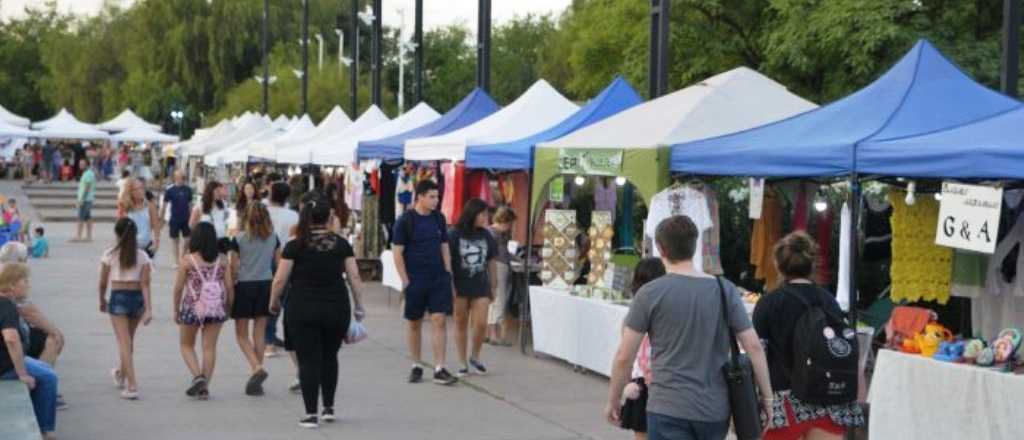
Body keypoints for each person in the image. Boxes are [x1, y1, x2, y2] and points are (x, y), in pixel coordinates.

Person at [606, 215, 774, 440]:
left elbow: (624, 357)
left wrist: (614, 400)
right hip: (713, 410)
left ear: (660, 248)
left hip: (666, 407)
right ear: (695, 246)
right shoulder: (725, 290)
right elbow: (753, 346)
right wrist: (767, 399)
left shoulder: (649, 294)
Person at [753, 232, 865, 440]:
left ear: (778, 265)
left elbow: (757, 353)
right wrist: (858, 398)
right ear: (812, 264)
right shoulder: (829, 301)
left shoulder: (768, 303)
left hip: (782, 405)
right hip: (829, 398)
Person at [270, 191, 366, 428]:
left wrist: (273, 301)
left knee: (308, 360)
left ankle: (311, 413)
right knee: (330, 356)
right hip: (336, 306)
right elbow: (354, 276)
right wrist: (359, 306)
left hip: (302, 307)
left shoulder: (295, 245)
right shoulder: (341, 244)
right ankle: (329, 408)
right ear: (328, 217)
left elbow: (280, 279)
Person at [393, 180, 458, 385]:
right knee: (414, 322)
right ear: (419, 196)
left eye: (437, 197)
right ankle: (417, 364)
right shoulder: (406, 220)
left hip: (438, 277)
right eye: (431, 197)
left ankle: (439, 367)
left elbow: (444, 246)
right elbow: (397, 252)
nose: (435, 201)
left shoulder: (439, 218)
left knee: (439, 319)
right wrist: (405, 280)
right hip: (415, 278)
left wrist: (448, 272)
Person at [172, 222, 233, 400]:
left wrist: (176, 310)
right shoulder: (222, 260)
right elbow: (229, 287)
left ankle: (197, 376)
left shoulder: (187, 260)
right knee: (209, 348)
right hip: (215, 308)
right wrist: (228, 308)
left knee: (186, 345)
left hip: (192, 308)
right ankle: (204, 388)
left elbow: (178, 288)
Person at [0, 263, 59, 439]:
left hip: (5, 360)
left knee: (44, 369)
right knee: (49, 378)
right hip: (4, 366)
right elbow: (11, 338)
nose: (27, 284)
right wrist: (22, 374)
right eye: (24, 281)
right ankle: (44, 429)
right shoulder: (6, 305)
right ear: (12, 285)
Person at [98, 218, 153, 400]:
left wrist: (101, 300)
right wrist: (148, 308)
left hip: (118, 295)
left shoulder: (110, 254)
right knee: (128, 341)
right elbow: (145, 284)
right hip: (136, 298)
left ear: (117, 233)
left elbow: (103, 282)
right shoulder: (143, 256)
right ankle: (121, 374)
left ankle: (132, 385)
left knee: (124, 342)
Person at [230, 203, 279, 396]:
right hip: (266, 284)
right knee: (259, 333)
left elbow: (234, 267)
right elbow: (278, 263)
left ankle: (256, 367)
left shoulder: (239, 239)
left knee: (241, 334)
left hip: (244, 285)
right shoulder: (274, 238)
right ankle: (256, 376)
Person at [619, 258, 667, 440]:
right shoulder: (667, 314)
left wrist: (624, 386)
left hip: (641, 385)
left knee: (642, 435)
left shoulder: (631, 317)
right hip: (663, 384)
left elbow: (625, 357)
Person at [449, 198, 497, 377]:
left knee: (481, 323)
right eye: (482, 214)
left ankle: (475, 357)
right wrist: (450, 284)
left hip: (481, 285)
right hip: (459, 286)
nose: (485, 217)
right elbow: (448, 261)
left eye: (486, 214)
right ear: (472, 213)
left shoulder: (486, 235)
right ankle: (462, 362)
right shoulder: (454, 234)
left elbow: (491, 260)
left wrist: (494, 285)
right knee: (460, 322)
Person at [264, 182, 298, 359]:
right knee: (287, 301)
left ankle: (269, 341)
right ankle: (289, 337)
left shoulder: (264, 213)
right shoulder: (294, 215)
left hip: (266, 259)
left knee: (271, 301)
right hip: (288, 258)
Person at [486, 206, 517, 345]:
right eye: (510, 223)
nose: (511, 227)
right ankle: (494, 335)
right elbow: (497, 253)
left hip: (499, 265)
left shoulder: (494, 232)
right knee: (499, 300)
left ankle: (491, 333)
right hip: (498, 267)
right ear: (505, 221)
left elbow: (504, 252)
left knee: (494, 300)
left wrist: (517, 258)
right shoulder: (494, 233)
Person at [118, 178, 161, 258]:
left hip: (146, 247)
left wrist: (156, 242)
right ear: (131, 191)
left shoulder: (150, 206)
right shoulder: (126, 207)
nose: (140, 191)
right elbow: (120, 228)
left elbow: (156, 225)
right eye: (137, 189)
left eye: (142, 188)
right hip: (129, 247)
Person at [162, 171, 194, 265]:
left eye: (184, 177)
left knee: (188, 240)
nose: (183, 179)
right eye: (181, 177)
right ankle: (176, 261)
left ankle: (183, 256)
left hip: (186, 218)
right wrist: (162, 218)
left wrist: (192, 217)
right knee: (175, 240)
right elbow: (164, 204)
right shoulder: (170, 190)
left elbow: (190, 204)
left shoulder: (188, 189)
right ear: (176, 178)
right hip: (174, 218)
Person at [190, 181, 230, 252]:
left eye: (220, 191)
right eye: (217, 191)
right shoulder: (200, 206)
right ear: (210, 191)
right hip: (205, 242)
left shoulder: (223, 204)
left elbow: (226, 219)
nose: (220, 193)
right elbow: (192, 224)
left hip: (221, 240)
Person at [73, 158, 96, 242]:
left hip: (86, 199)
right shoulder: (87, 173)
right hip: (87, 199)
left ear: (87, 164)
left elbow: (87, 187)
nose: (80, 165)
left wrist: (81, 199)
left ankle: (78, 236)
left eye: (82, 164)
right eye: (80, 164)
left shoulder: (88, 174)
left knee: (80, 218)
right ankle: (89, 236)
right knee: (88, 217)